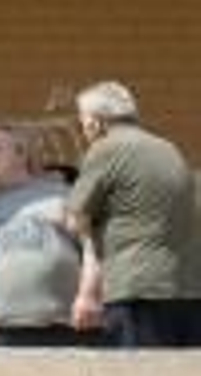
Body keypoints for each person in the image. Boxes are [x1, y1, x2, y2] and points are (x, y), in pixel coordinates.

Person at [55, 82, 199, 349]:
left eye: (82, 121)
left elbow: (75, 220)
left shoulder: (106, 148)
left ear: (96, 123)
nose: (83, 129)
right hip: (187, 290)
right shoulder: (168, 148)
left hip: (137, 290)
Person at [0, 121, 80, 347]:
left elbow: (95, 251)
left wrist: (92, 298)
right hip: (0, 333)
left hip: (62, 329)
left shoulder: (62, 196)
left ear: (22, 154)